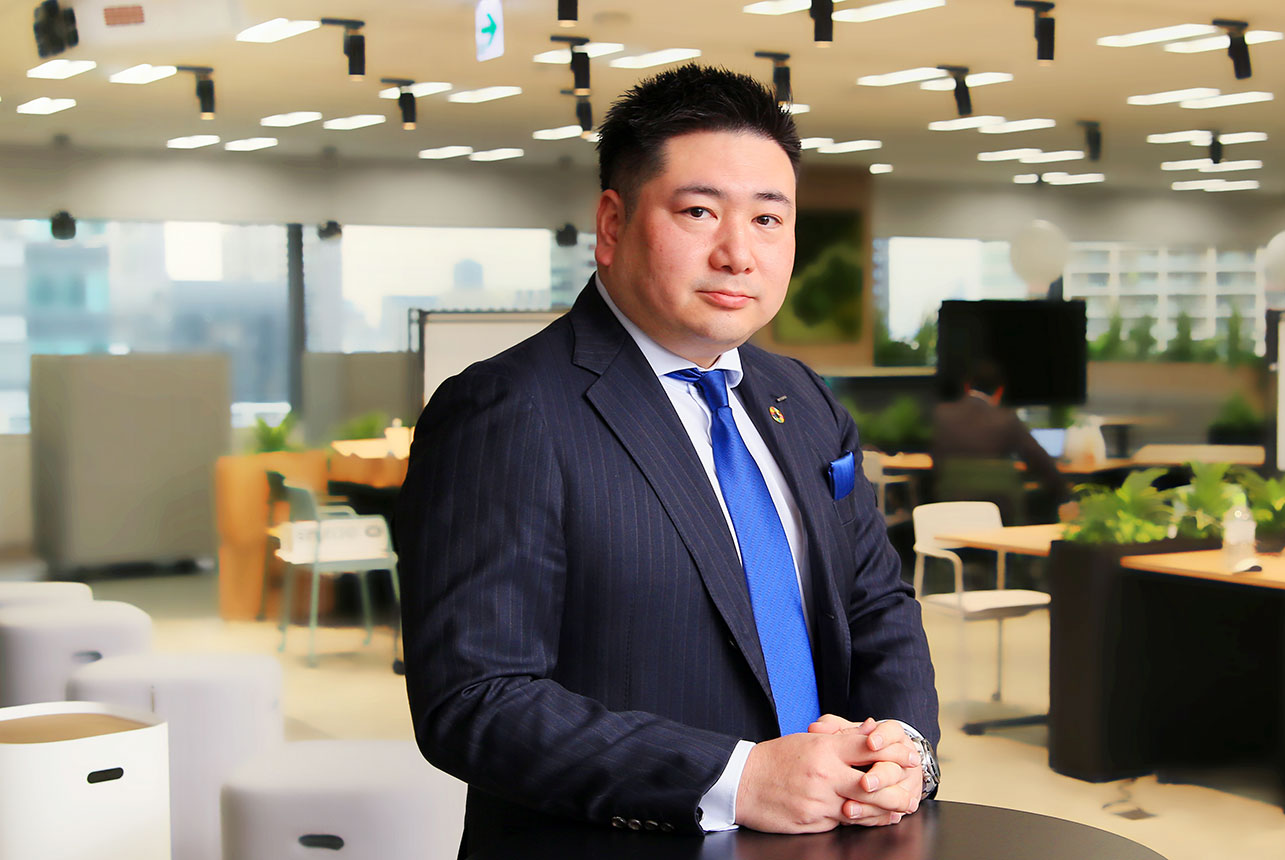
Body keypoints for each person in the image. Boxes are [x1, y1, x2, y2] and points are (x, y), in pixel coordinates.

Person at [395, 65, 940, 858]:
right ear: (612, 223)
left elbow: (877, 603)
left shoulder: (802, 398)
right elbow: (475, 697)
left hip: (830, 839)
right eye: (698, 212)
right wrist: (738, 778)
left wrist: (904, 748)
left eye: (768, 219)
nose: (738, 254)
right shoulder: (508, 409)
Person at [930, 360, 1069, 521]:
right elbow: (1040, 461)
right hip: (1001, 514)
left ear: (967, 387)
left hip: (951, 509)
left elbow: (936, 462)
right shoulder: (1007, 419)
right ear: (999, 392)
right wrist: (1064, 493)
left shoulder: (942, 415)